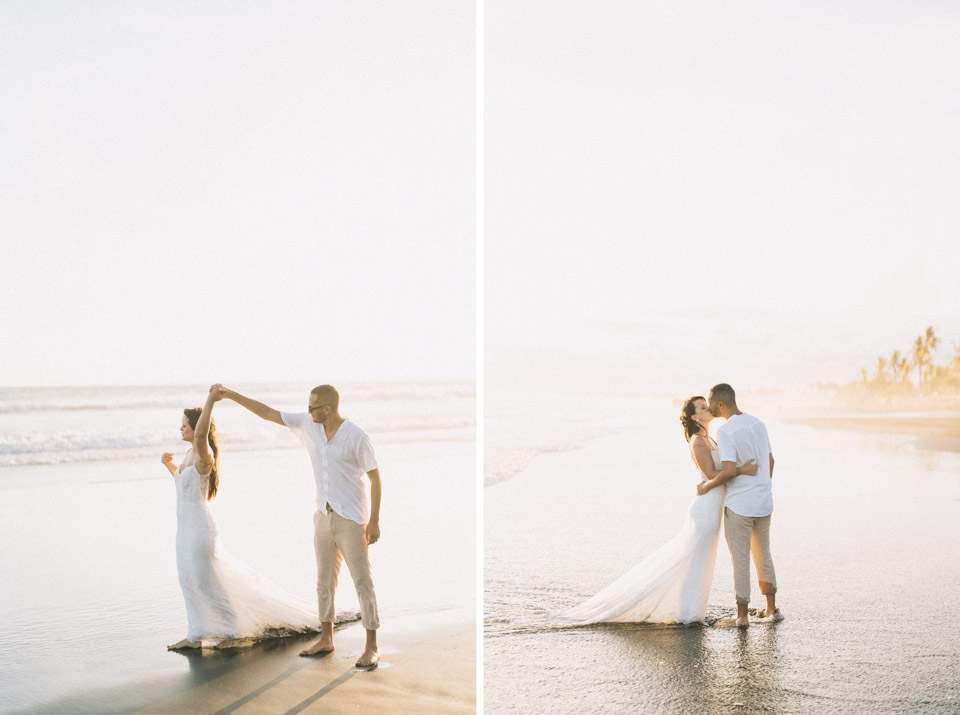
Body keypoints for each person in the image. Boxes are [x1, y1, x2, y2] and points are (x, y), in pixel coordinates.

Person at [214, 383, 382, 668]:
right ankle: (326, 639)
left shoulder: (356, 437)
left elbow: (375, 479)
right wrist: (231, 395)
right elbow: (268, 412)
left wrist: (374, 521)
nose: (307, 411)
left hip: (352, 520)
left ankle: (372, 647)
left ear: (326, 409)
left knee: (362, 582)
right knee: (323, 581)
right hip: (322, 517)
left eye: (312, 407)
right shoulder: (309, 424)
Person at [554, 395, 757, 625]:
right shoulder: (698, 441)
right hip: (706, 511)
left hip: (713, 507)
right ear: (694, 416)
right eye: (702, 407)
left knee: (700, 561)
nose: (708, 408)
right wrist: (741, 470)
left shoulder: (709, 439)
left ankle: (690, 611)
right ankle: (688, 614)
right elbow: (712, 475)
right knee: (694, 561)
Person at [163, 386, 320, 650]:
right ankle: (195, 636)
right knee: (188, 580)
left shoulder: (205, 454)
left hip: (200, 529)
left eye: (184, 425)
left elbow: (202, 434)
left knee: (205, 580)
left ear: (195, 427)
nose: (180, 429)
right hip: (184, 531)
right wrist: (168, 465)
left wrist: (210, 401)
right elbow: (183, 486)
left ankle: (233, 631)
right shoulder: (187, 456)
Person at [697, 382, 781, 627]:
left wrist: (705, 487)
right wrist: (762, 488)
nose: (710, 407)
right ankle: (771, 610)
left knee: (741, 560)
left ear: (721, 403)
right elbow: (771, 461)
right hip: (764, 503)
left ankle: (742, 616)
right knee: (764, 555)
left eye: (711, 403)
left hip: (740, 506)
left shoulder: (726, 431)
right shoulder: (758, 423)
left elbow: (729, 470)